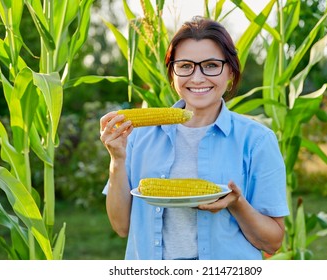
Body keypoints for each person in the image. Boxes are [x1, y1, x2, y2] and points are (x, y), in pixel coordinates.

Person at [100, 16, 289, 260]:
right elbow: (121, 226)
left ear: (230, 71)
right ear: (172, 73)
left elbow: (273, 242)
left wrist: (236, 203)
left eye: (211, 65)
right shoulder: (139, 136)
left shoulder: (257, 141)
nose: (197, 77)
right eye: (185, 66)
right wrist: (117, 159)